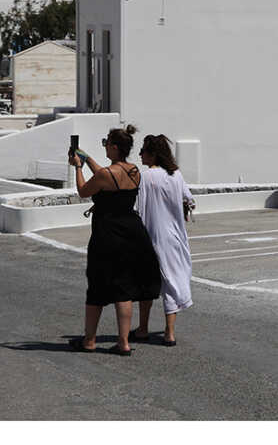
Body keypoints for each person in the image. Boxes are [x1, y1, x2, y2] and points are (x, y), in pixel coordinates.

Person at [68, 124, 161, 355]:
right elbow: (107, 175)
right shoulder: (134, 171)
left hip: (107, 233)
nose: (105, 148)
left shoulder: (105, 175)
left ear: (115, 147)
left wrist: (78, 168)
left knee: (97, 284)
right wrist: (88, 158)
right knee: (125, 287)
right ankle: (123, 342)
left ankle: (89, 340)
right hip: (132, 231)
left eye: (106, 144)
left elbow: (84, 190)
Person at [132, 134, 194, 346]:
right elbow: (189, 198)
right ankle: (169, 332)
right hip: (175, 237)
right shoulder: (176, 174)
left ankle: (142, 328)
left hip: (152, 236)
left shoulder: (146, 177)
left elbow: (138, 208)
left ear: (152, 154)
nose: (140, 154)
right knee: (172, 282)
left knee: (147, 283)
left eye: (143, 151)